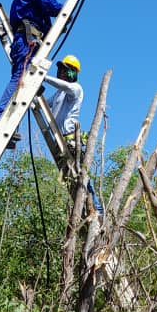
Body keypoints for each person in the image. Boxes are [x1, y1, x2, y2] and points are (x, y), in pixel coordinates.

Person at [0, 0, 63, 149]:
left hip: (28, 40)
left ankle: (8, 127)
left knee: (25, 81)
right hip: (27, 40)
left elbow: (45, 15)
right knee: (20, 78)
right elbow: (49, 4)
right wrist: (64, 10)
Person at [45, 55, 103, 215]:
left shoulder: (76, 88)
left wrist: (43, 77)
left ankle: (98, 212)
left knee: (83, 180)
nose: (61, 72)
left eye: (65, 70)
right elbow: (44, 104)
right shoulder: (58, 94)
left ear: (73, 72)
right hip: (59, 140)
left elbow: (66, 87)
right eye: (60, 70)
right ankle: (85, 211)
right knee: (73, 182)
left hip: (69, 139)